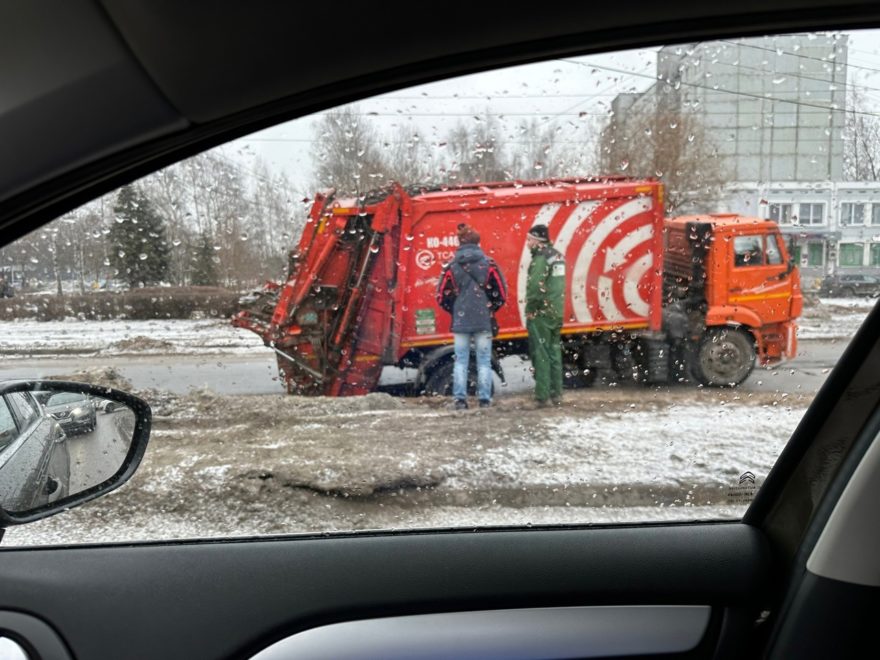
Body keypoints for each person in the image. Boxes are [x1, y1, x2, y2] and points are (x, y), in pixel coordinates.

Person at [436, 224, 508, 410]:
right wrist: (491, 307)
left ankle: (460, 400)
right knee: (483, 360)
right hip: (484, 318)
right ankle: (484, 400)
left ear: (459, 242)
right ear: (478, 243)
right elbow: (501, 293)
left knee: (461, 360)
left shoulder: (452, 266)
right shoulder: (489, 265)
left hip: (461, 320)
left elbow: (441, 296)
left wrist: (455, 308)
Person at [525, 224, 565, 407]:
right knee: (554, 352)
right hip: (557, 311)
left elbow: (535, 288)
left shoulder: (540, 258)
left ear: (537, 240)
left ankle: (542, 397)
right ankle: (557, 394)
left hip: (542, 312)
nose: (527, 243)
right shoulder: (556, 255)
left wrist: (531, 309)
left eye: (529, 239)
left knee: (541, 353)